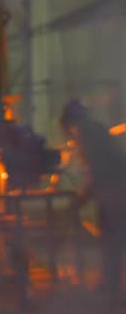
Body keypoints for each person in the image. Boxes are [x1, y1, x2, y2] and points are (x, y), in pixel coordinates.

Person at [60, 99, 126, 308]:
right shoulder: (95, 131)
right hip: (114, 192)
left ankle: (112, 293)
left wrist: (80, 200)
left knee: (113, 243)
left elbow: (100, 173)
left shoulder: (90, 135)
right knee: (112, 243)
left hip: (116, 192)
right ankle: (110, 287)